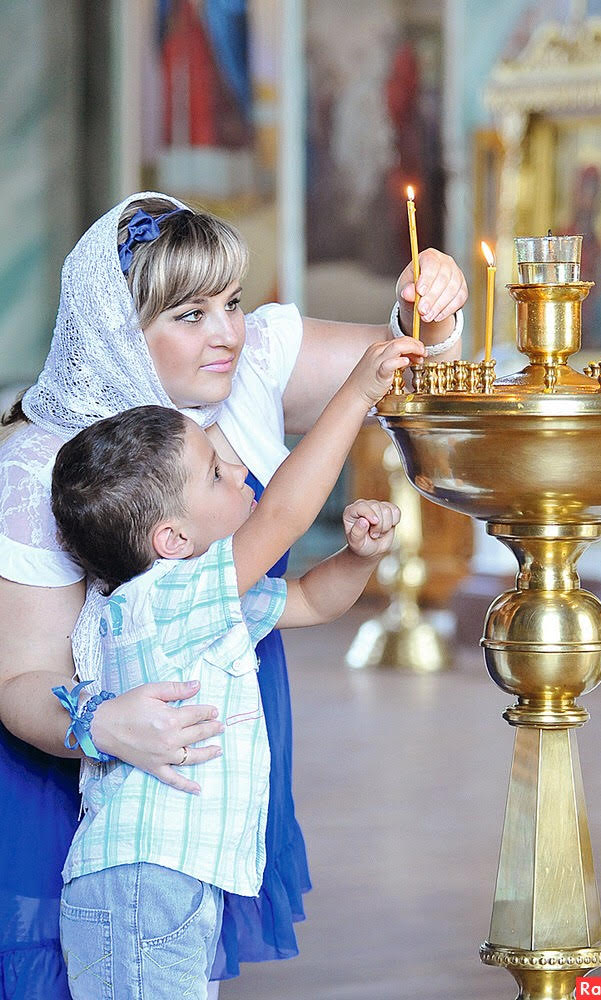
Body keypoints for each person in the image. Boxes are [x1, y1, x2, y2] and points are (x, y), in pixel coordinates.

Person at [0, 191, 466, 998]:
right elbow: (22, 674)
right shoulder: (36, 468)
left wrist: (427, 305)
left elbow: (404, 357)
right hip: (77, 767)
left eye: (232, 302)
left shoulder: (241, 371)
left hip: (210, 755)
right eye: (189, 313)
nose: (227, 333)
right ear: (118, 333)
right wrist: (102, 720)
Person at [52, 328, 412, 997]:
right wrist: (357, 392)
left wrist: (358, 560)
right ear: (173, 538)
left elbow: (309, 598)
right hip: (143, 882)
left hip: (167, 878)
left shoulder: (198, 607)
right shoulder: (161, 599)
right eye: (216, 473)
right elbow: (281, 516)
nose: (239, 470)